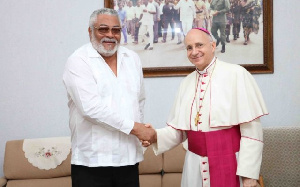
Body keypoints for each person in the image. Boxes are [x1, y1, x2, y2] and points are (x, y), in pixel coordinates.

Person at [143, 28, 268, 187]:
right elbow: (180, 132)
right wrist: (154, 136)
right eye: (189, 47)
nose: (194, 51)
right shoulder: (186, 83)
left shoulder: (237, 74)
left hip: (230, 161)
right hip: (194, 164)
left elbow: (252, 131)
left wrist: (249, 175)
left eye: (199, 45)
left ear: (213, 46)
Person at [63, 8, 156, 187]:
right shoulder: (78, 61)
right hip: (92, 161)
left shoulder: (132, 58)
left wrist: (141, 132)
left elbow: (139, 101)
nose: (110, 35)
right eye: (103, 29)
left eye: (116, 30)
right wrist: (136, 129)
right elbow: (91, 109)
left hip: (128, 159)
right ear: (90, 31)